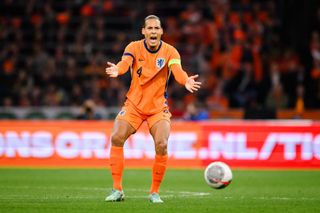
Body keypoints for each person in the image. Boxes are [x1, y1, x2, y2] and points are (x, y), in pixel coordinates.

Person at [104, 15, 201, 203]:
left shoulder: (170, 52)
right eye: (150, 28)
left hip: (157, 108)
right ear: (144, 31)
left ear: (162, 31)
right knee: (116, 137)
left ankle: (154, 192)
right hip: (134, 105)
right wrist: (118, 69)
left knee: (162, 144)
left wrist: (186, 80)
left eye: (157, 28)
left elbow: (178, 71)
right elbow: (125, 63)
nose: (153, 32)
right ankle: (117, 190)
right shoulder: (133, 47)